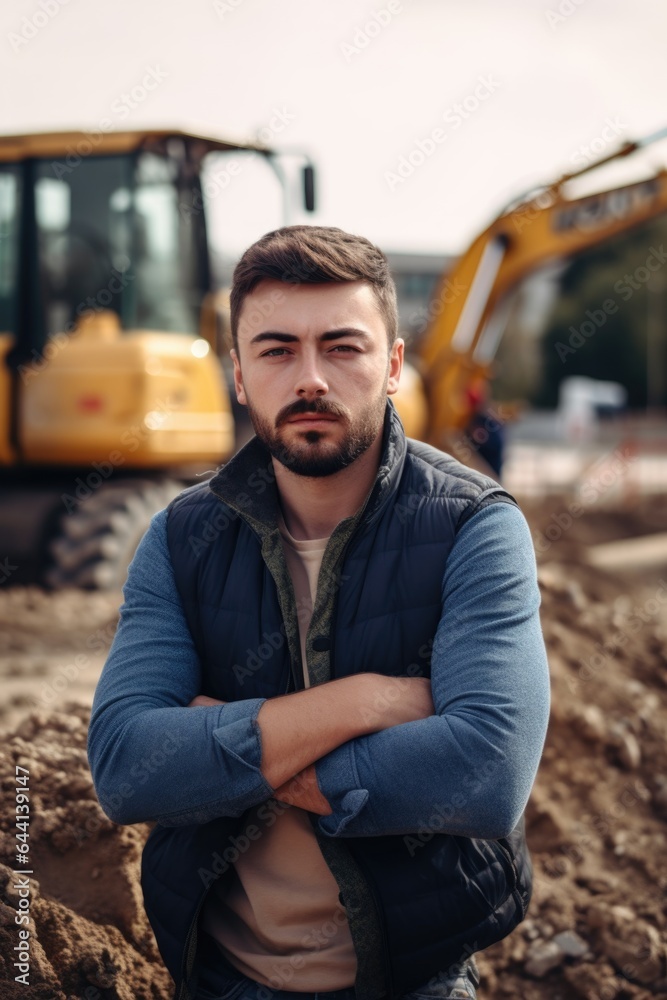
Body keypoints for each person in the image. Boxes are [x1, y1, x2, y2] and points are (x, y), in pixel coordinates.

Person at [88, 225, 550, 1000]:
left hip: (411, 981)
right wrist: (360, 703)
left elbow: (486, 773)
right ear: (238, 374)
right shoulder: (180, 537)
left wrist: (226, 741)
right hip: (220, 978)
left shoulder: (472, 524)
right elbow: (129, 769)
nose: (310, 379)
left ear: (393, 365)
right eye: (276, 351)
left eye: (341, 347)